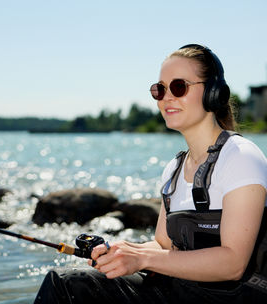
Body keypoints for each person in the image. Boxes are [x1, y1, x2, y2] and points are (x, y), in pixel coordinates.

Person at [34, 44, 267, 304]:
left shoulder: (241, 157)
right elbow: (163, 246)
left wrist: (142, 258)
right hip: (179, 291)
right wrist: (122, 251)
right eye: (160, 89)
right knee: (67, 283)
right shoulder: (174, 171)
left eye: (179, 87)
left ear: (213, 93)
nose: (166, 97)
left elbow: (233, 263)